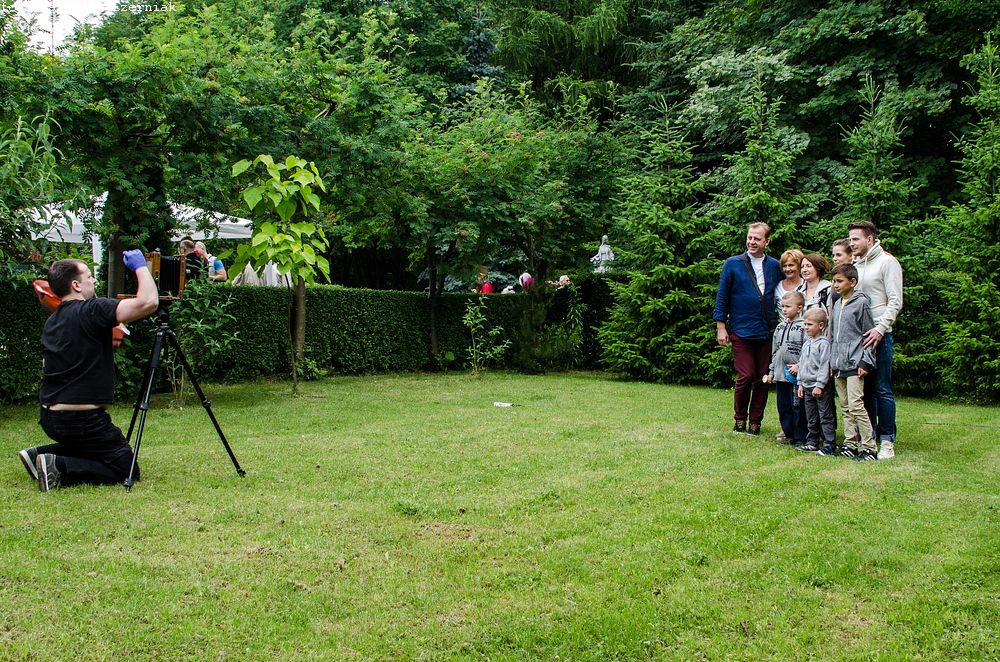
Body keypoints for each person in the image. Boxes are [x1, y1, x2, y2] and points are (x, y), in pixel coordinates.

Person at [19, 251, 159, 491]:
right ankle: (58, 466)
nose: (93, 280)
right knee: (126, 468)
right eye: (89, 276)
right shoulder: (92, 310)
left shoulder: (53, 320)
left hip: (51, 417)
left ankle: (38, 455)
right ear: (76, 285)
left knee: (93, 447)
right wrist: (140, 267)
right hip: (82, 420)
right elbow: (148, 302)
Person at [713, 222, 783, 435]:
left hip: (766, 330)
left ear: (767, 242)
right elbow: (722, 295)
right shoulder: (733, 264)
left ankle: (755, 421)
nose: (752, 242)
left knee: (763, 377)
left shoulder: (774, 266)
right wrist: (721, 326)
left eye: (757, 239)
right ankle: (740, 418)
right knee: (746, 374)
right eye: (750, 238)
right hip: (741, 328)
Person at [849, 221, 903, 460]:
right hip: (858, 336)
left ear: (869, 239)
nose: (851, 244)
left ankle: (887, 440)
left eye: (855, 239)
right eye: (850, 240)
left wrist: (880, 329)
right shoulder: (855, 264)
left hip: (879, 334)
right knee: (865, 390)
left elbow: (895, 301)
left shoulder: (887, 262)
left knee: (882, 388)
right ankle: (868, 439)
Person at [829, 263, 878, 461]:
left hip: (855, 363)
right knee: (845, 405)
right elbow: (833, 336)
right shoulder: (836, 304)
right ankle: (850, 443)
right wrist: (832, 361)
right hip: (839, 363)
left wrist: (866, 362)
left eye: (839, 281)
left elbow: (868, 334)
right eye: (834, 281)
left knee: (856, 405)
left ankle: (869, 447)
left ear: (852, 282)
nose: (835, 285)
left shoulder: (861, 303)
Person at [761, 291, 807, 446]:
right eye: (783, 306)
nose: (784, 309)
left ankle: (800, 436)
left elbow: (808, 351)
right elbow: (775, 351)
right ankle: (788, 434)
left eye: (788, 306)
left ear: (799, 308)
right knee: (783, 406)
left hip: (796, 377)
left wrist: (799, 366)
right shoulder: (780, 327)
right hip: (780, 375)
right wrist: (772, 371)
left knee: (797, 406)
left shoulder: (804, 327)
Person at [796, 308, 836, 454]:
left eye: (809, 324)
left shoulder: (824, 344)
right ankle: (812, 441)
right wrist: (800, 383)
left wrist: (820, 385)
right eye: (805, 324)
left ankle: (829, 443)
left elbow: (825, 366)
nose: (806, 327)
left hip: (820, 387)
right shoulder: (806, 343)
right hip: (806, 385)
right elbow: (802, 363)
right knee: (811, 416)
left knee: (825, 415)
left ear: (821, 325)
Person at [774, 249, 806, 323]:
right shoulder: (777, 287)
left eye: (791, 265)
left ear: (799, 266)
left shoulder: (806, 284)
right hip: (784, 327)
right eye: (784, 266)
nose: (787, 269)